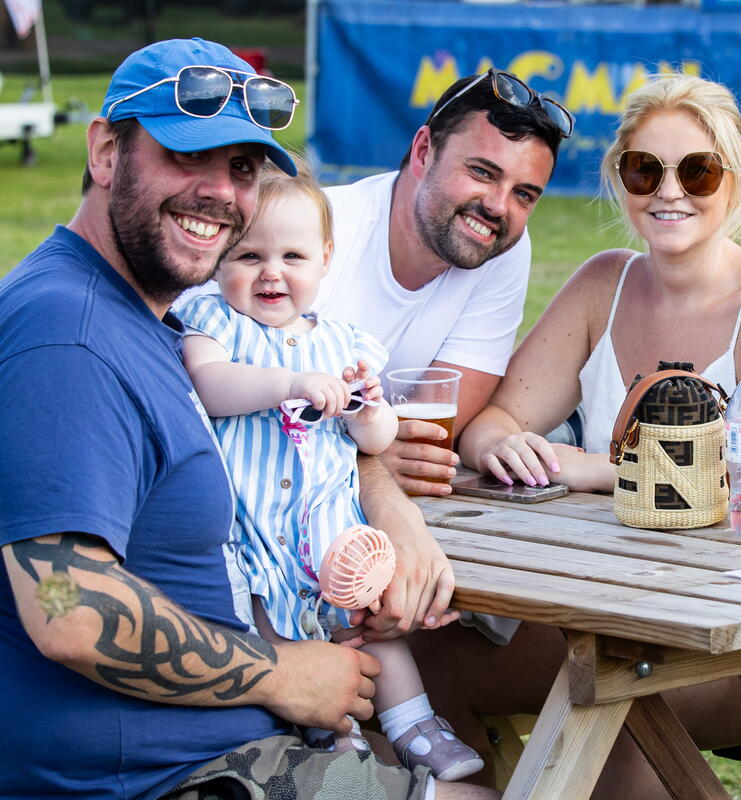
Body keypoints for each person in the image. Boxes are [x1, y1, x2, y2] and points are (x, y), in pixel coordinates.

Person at [0, 38, 491, 800]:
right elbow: (68, 609)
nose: (220, 194)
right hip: (171, 777)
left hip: (228, 745)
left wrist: (387, 502)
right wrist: (279, 674)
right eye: (186, 157)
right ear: (104, 152)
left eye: (239, 168)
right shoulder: (72, 334)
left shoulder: (152, 318)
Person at [433, 74, 741, 796]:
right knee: (425, 665)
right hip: (614, 604)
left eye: (696, 170)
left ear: (733, 181)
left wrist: (602, 472)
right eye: (645, 170)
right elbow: (496, 418)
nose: (668, 191)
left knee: (615, 693)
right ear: (621, 180)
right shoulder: (601, 284)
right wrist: (499, 445)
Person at [176, 162, 484, 780]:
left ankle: (415, 726)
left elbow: (376, 437)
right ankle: (335, 735)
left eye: (292, 256)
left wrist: (370, 407)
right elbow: (211, 387)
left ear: (325, 260)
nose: (271, 272)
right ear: (220, 262)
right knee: (285, 642)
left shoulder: (346, 344)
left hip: (331, 534)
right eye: (247, 255)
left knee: (375, 633)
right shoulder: (214, 324)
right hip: (254, 535)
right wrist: (288, 383)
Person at [314, 70, 570, 497]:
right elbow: (226, 412)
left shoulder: (502, 249)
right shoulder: (314, 231)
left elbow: (428, 442)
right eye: (482, 172)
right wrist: (360, 465)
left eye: (524, 194)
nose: (497, 206)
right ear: (422, 152)